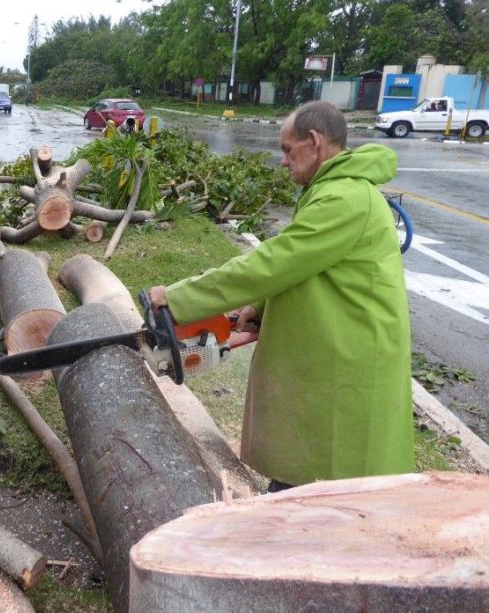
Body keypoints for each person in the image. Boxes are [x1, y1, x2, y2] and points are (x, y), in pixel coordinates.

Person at [149, 101, 414, 493]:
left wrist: (178, 299)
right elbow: (307, 268)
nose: (283, 162)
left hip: (352, 354)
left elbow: (272, 264)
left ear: (315, 142)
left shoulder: (344, 199)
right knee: (314, 467)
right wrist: (258, 308)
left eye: (289, 151)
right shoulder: (331, 190)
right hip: (340, 344)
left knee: (329, 482)